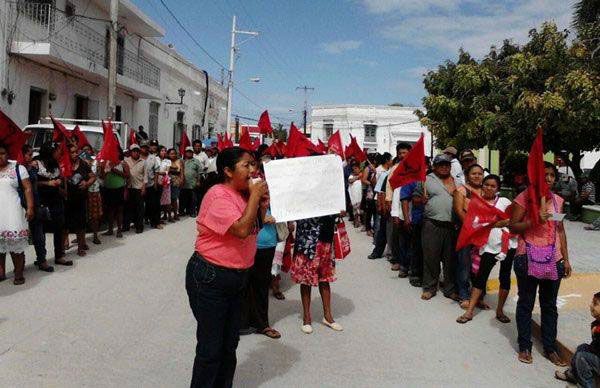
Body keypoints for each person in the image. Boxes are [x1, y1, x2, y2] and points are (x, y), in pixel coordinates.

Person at [185, 147, 267, 388]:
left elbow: (253, 229)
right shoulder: (218, 196)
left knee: (229, 344)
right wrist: (254, 197)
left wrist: (260, 205)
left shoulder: (243, 195)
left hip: (237, 278)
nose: (253, 170)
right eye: (246, 165)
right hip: (211, 277)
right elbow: (241, 230)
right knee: (211, 349)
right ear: (228, 171)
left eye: (254, 164)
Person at [510, 161, 572, 366]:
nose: (548, 178)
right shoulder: (524, 198)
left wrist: (566, 258)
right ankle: (525, 346)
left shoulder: (558, 201)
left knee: (549, 306)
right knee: (526, 303)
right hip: (526, 257)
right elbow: (513, 227)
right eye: (544, 174)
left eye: (552, 175)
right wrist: (533, 220)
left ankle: (550, 348)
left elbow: (560, 230)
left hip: (553, 260)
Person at [456, 175, 517, 324]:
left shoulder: (504, 202)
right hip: (488, 246)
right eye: (487, 185)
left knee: (505, 276)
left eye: (493, 186)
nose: (489, 188)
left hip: (507, 245)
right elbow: (473, 223)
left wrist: (504, 222)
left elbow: (515, 218)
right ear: (482, 186)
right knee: (481, 277)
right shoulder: (476, 203)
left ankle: (500, 311)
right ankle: (470, 311)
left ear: (498, 189)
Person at [414, 154, 458, 301]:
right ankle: (429, 287)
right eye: (441, 164)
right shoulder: (426, 179)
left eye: (447, 164)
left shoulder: (457, 181)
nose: (445, 167)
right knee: (430, 257)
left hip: (452, 225)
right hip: (432, 224)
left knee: (450, 259)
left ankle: (449, 288)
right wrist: (421, 199)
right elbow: (415, 199)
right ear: (435, 166)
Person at [0, 143, 34, 284]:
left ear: (8, 153)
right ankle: (1, 273)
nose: (0, 157)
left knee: (15, 245)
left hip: (13, 210)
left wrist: (30, 207)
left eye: (2, 153)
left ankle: (18, 273)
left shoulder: (18, 169)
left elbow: (27, 188)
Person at [453, 164, 485, 307]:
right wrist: (473, 227)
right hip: (467, 232)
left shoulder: (486, 191)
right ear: (467, 176)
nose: (477, 176)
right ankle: (464, 295)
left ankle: (478, 295)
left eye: (480, 173)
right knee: (464, 265)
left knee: (481, 266)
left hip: (483, 234)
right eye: (474, 174)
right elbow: (460, 211)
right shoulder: (461, 190)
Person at [555, 291, 600, 387]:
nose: (590, 305)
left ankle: (588, 385)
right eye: (592, 302)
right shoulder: (597, 323)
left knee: (582, 357)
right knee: (582, 347)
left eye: (595, 304)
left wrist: (597, 332)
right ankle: (573, 374)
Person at [21, 144, 54, 273]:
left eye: (31, 154)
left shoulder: (33, 168)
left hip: (35, 203)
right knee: (21, 236)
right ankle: (20, 263)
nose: (30, 157)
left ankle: (42, 260)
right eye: (28, 154)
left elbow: (40, 181)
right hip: (21, 205)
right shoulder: (17, 169)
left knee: (39, 235)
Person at [37, 142, 70, 265]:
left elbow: (60, 179)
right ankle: (41, 258)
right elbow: (31, 183)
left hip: (56, 200)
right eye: (57, 151)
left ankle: (59, 255)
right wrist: (48, 183)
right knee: (41, 231)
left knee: (59, 227)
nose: (59, 153)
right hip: (41, 201)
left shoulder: (55, 164)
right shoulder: (36, 164)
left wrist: (60, 184)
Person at [64, 143, 95, 256]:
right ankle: (65, 242)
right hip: (67, 198)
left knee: (81, 224)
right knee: (65, 222)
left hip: (80, 198)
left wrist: (86, 183)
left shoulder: (83, 164)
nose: (75, 154)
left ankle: (80, 247)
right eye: (72, 152)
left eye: (76, 151)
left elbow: (93, 176)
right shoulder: (64, 164)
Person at [386, 142, 412, 272]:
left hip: (413, 206)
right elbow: (390, 188)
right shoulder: (395, 168)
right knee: (399, 237)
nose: (402, 155)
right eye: (400, 153)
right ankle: (400, 262)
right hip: (398, 206)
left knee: (412, 238)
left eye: (404, 153)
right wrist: (391, 206)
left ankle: (411, 264)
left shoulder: (415, 167)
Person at [367, 152, 393, 260]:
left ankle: (392, 254)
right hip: (386, 206)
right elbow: (379, 191)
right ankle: (377, 251)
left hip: (397, 207)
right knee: (382, 229)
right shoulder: (385, 175)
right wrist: (381, 206)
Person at [100, 150, 130, 238]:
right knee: (110, 210)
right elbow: (102, 176)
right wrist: (104, 169)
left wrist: (114, 170)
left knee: (119, 210)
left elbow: (127, 175)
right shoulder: (106, 163)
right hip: (108, 189)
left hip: (119, 189)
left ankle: (119, 230)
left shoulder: (123, 163)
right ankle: (110, 230)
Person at [81, 145, 103, 245]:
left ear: (91, 151)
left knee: (95, 216)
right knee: (83, 216)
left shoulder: (96, 162)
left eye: (88, 150)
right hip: (82, 191)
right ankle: (81, 238)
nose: (86, 152)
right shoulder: (80, 162)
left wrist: (99, 168)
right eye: (84, 150)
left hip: (94, 190)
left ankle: (95, 236)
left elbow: (100, 176)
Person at [124, 144, 147, 233]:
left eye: (137, 151)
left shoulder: (143, 162)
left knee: (139, 208)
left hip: (139, 187)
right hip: (129, 187)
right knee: (128, 208)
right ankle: (126, 225)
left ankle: (139, 226)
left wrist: (144, 188)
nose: (136, 153)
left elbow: (145, 176)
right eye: (134, 151)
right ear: (130, 152)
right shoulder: (126, 161)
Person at [140, 141, 162, 229]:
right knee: (139, 205)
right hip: (139, 185)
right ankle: (138, 222)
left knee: (154, 205)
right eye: (142, 147)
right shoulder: (138, 157)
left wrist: (156, 183)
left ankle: (156, 222)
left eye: (146, 147)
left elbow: (156, 171)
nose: (144, 149)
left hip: (151, 184)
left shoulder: (153, 158)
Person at [181, 146, 202, 217]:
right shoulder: (182, 161)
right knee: (183, 198)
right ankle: (182, 211)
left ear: (192, 153)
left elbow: (199, 172)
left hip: (193, 183)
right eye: (188, 152)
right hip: (183, 184)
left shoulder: (196, 161)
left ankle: (192, 212)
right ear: (185, 153)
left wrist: (198, 181)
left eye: (190, 152)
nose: (189, 153)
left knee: (193, 199)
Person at [168, 148, 184, 222]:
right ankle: (168, 215)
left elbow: (182, 172)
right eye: (171, 154)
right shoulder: (167, 161)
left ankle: (175, 214)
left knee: (174, 199)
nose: (173, 155)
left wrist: (182, 180)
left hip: (176, 181)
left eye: (174, 153)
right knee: (168, 200)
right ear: (168, 154)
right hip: (167, 182)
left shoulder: (180, 161)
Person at [348, 163, 363, 228]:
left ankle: (361, 222)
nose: (355, 170)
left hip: (360, 195)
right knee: (355, 211)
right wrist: (358, 177)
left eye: (356, 168)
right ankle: (356, 222)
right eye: (354, 169)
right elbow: (350, 180)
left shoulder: (362, 175)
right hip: (354, 197)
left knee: (360, 210)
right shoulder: (351, 176)